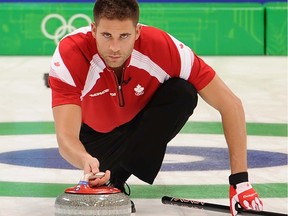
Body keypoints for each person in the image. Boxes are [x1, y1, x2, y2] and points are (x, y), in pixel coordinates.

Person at [48, 0, 263, 215]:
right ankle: (107, 173)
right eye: (106, 36)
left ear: (137, 31)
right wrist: (85, 160)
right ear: (94, 29)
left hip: (137, 128)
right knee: (89, 148)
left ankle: (116, 178)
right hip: (93, 140)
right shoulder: (71, 53)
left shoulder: (163, 48)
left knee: (183, 93)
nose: (114, 47)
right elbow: (66, 138)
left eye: (124, 36)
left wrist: (240, 183)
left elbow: (231, 105)